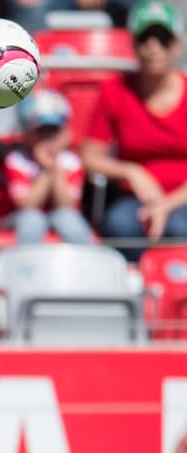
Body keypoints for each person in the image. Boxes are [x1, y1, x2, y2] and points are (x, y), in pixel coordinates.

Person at [80, 0, 187, 259]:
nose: (153, 47)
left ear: (176, 45)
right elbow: (90, 156)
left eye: (162, 39)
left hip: (183, 197)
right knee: (120, 225)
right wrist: (131, 171)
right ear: (133, 44)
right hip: (135, 200)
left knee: (178, 228)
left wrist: (167, 204)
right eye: (145, 38)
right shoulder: (115, 90)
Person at [2, 88, 95, 246]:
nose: (48, 138)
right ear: (27, 134)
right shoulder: (16, 161)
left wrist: (54, 168)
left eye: (54, 131)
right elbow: (27, 206)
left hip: (60, 215)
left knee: (69, 221)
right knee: (33, 220)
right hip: (19, 218)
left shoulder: (71, 162)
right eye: (41, 132)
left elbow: (66, 205)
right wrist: (46, 170)